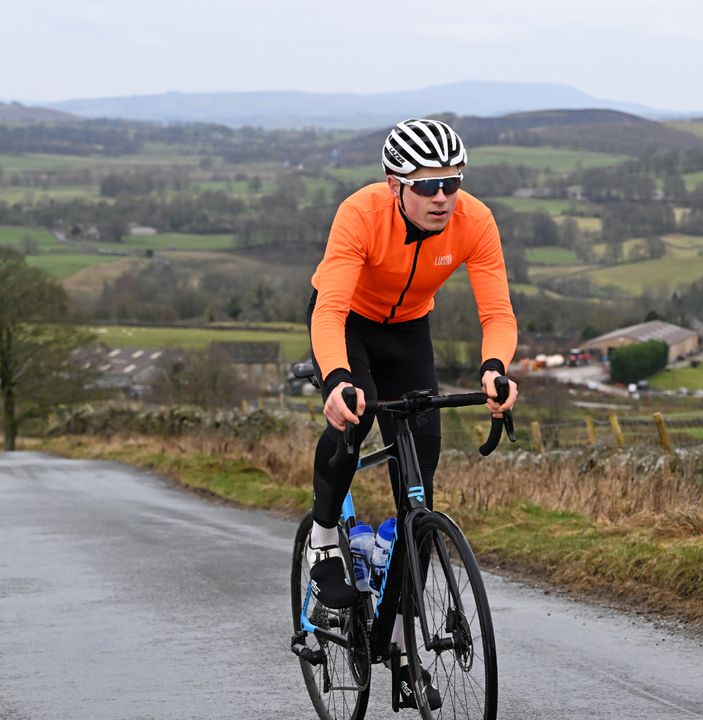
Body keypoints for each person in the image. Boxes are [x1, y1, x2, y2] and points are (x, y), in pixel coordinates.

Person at [305, 118, 518, 708]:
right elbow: (329, 312)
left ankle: (400, 626)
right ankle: (325, 537)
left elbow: (496, 311)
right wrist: (338, 378)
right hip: (349, 323)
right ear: (395, 185)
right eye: (426, 187)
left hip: (409, 331)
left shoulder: (474, 220)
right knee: (352, 421)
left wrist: (494, 367)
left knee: (423, 468)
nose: (442, 198)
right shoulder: (361, 214)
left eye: (451, 183)